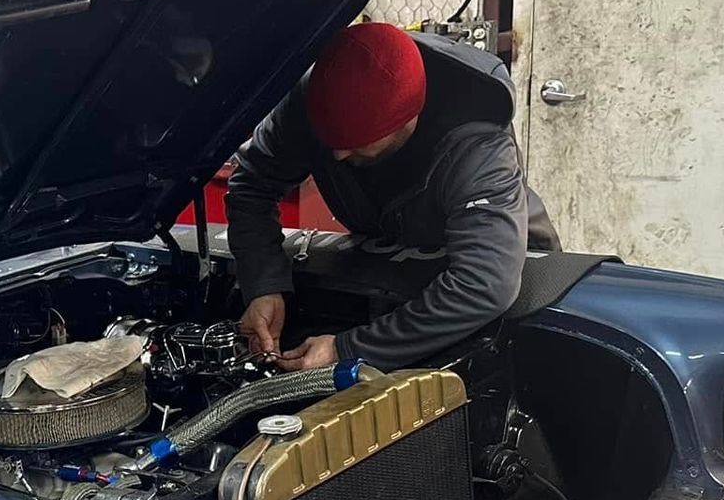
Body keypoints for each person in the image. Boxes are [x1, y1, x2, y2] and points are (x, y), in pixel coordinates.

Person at [225, 22, 558, 371]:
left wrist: (347, 349)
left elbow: (484, 285)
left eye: (354, 145)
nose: (337, 157)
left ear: (407, 120)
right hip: (396, 269)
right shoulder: (314, 98)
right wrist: (263, 284)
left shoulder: (476, 143)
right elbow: (252, 182)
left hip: (511, 277)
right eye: (329, 142)